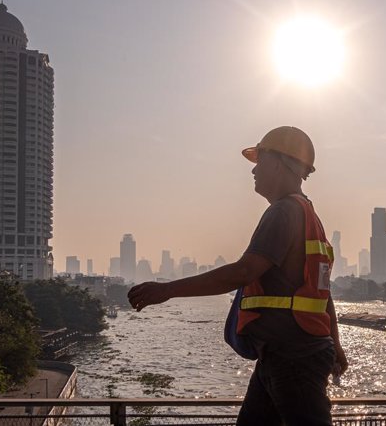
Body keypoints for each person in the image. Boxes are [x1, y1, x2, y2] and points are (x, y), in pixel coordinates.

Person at [128, 126, 348, 425]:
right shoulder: (309, 216)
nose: (254, 170)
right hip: (286, 354)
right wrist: (335, 345)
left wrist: (167, 290)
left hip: (293, 357)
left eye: (260, 160)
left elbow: (243, 272)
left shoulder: (283, 212)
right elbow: (323, 296)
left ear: (279, 163)